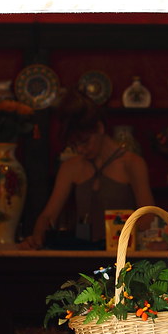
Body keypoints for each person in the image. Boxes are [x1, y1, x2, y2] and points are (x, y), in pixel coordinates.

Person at [22, 92, 153, 249]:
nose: (80, 150)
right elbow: (48, 215)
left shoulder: (132, 163)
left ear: (99, 128)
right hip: (83, 253)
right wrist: (37, 238)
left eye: (84, 142)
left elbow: (148, 217)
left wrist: (121, 233)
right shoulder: (71, 167)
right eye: (74, 145)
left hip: (122, 255)